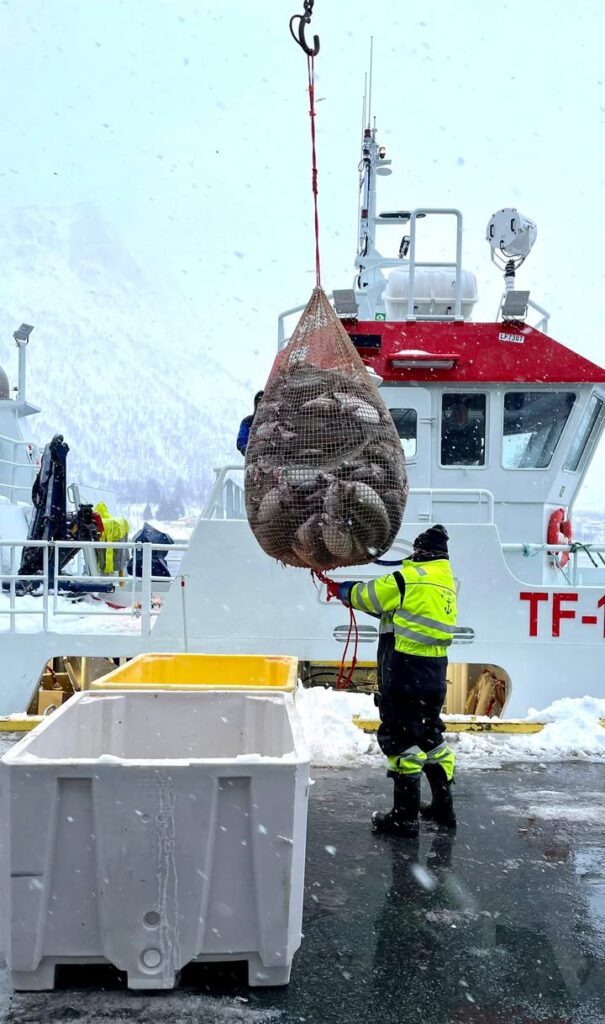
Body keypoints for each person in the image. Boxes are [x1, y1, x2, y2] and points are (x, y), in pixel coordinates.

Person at [335, 525, 458, 837]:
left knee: (401, 739)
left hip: (405, 671)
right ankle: (444, 809)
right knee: (430, 736)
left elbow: (369, 596)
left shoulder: (408, 579)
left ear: (420, 552)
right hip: (433, 674)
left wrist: (344, 591)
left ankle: (404, 818)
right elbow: (403, 613)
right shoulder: (444, 584)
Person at [441, 400, 484, 465]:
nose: (459, 417)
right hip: (447, 468)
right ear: (453, 415)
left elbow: (477, 456)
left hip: (469, 469)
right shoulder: (445, 432)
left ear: (466, 415)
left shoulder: (474, 432)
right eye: (457, 413)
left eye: (462, 414)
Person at [236, 390, 264, 456]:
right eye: (259, 404)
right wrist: (244, 448)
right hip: (254, 458)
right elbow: (241, 440)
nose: (261, 407)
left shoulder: (274, 421)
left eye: (263, 404)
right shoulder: (247, 421)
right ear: (255, 405)